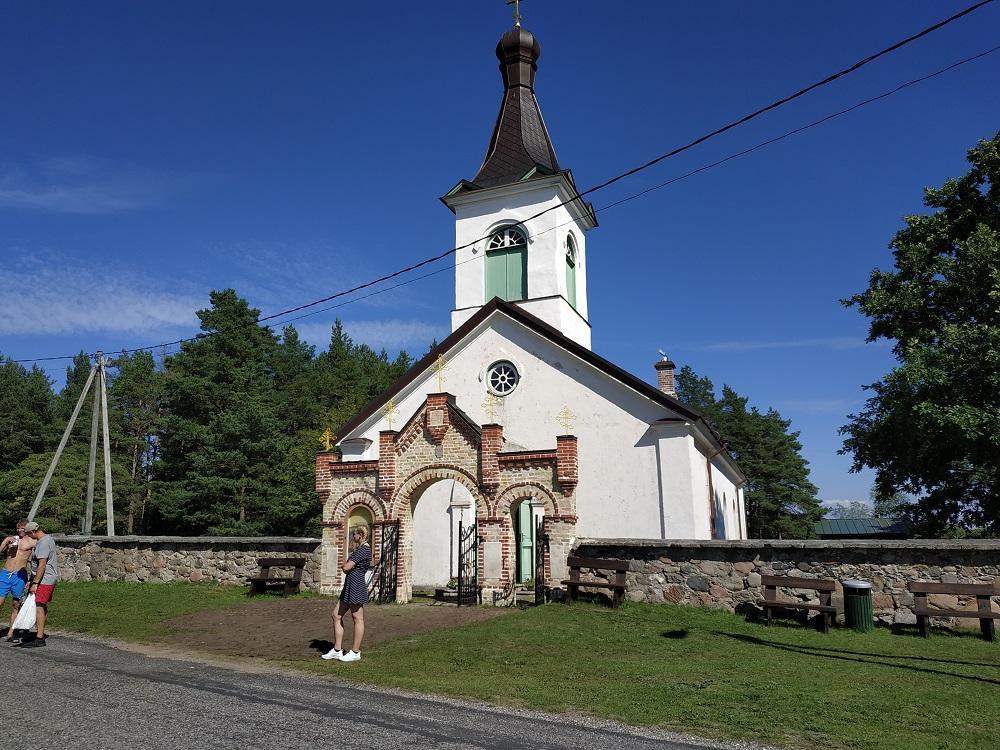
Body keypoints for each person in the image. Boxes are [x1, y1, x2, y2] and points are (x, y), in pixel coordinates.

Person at [322, 525, 371, 662]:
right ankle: (337, 650)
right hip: (349, 585)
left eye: (354, 534)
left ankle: (355, 652)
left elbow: (346, 567)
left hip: (356, 585)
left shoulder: (364, 550)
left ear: (360, 535)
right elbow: (347, 566)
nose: (352, 536)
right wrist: (348, 565)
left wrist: (348, 564)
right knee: (336, 615)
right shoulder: (359, 550)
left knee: (357, 617)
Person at [16, 521, 57, 648]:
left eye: (29, 534)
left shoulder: (44, 543)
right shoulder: (47, 539)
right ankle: (40, 632)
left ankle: (40, 638)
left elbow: (42, 565)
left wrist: (35, 583)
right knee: (41, 605)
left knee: (39, 605)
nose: (29, 536)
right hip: (43, 578)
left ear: (33, 531)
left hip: (45, 579)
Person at [0, 521, 32, 641]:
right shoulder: (11, 539)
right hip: (5, 574)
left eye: (22, 528)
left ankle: (11, 632)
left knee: (16, 604)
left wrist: (33, 579)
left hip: (20, 575)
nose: (20, 530)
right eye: (18, 528)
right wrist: (5, 542)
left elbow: (36, 559)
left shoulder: (32, 541)